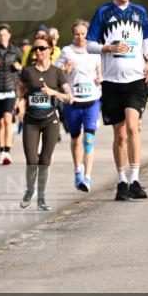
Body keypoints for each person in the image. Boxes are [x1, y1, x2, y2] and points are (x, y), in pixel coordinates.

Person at [85, 0, 148, 201]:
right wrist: (109, 48)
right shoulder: (103, 12)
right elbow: (89, 45)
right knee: (120, 134)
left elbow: (146, 40)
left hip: (135, 79)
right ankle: (121, 182)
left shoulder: (140, 12)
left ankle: (135, 179)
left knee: (133, 127)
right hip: (111, 81)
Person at [17, 34, 72, 210]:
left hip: (50, 121)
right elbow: (21, 89)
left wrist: (53, 93)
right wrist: (18, 101)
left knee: (45, 161)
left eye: (42, 48)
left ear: (50, 50)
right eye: (35, 49)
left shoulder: (57, 72)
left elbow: (69, 97)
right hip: (31, 121)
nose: (38, 51)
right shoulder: (27, 71)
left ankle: (41, 198)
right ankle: (29, 190)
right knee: (32, 161)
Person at [56, 19, 102, 192]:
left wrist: (100, 78)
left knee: (89, 139)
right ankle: (78, 171)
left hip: (92, 100)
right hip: (73, 101)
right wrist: (65, 71)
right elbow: (55, 73)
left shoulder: (95, 49)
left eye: (83, 34)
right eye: (77, 34)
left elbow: (101, 70)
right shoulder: (66, 51)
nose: (80, 37)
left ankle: (87, 178)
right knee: (75, 140)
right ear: (72, 35)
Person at [0, 24, 23, 165]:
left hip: (10, 89)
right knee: (0, 122)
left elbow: (24, 69)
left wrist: (19, 68)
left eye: (5, 34)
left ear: (9, 35)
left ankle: (7, 151)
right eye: (0, 35)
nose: (2, 37)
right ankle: (1, 151)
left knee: (8, 119)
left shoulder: (15, 50)